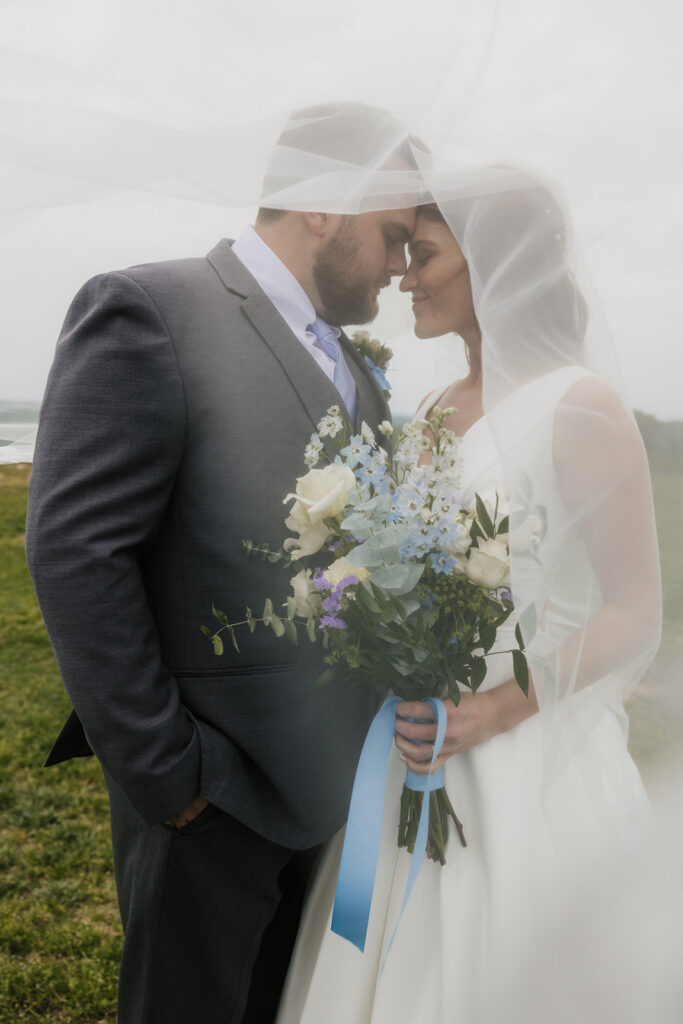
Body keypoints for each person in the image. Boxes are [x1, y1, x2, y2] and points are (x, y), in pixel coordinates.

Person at [25, 101, 419, 1024]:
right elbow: (77, 548)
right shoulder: (148, 309)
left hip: (331, 801)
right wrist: (170, 776)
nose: (401, 268)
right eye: (394, 236)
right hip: (211, 803)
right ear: (324, 202)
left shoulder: (358, 371)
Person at [275, 168, 662, 1023]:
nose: (405, 275)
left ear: (493, 262)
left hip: (524, 757)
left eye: (423, 253)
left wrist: (493, 712)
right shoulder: (433, 407)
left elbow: (635, 610)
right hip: (410, 742)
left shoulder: (580, 404)